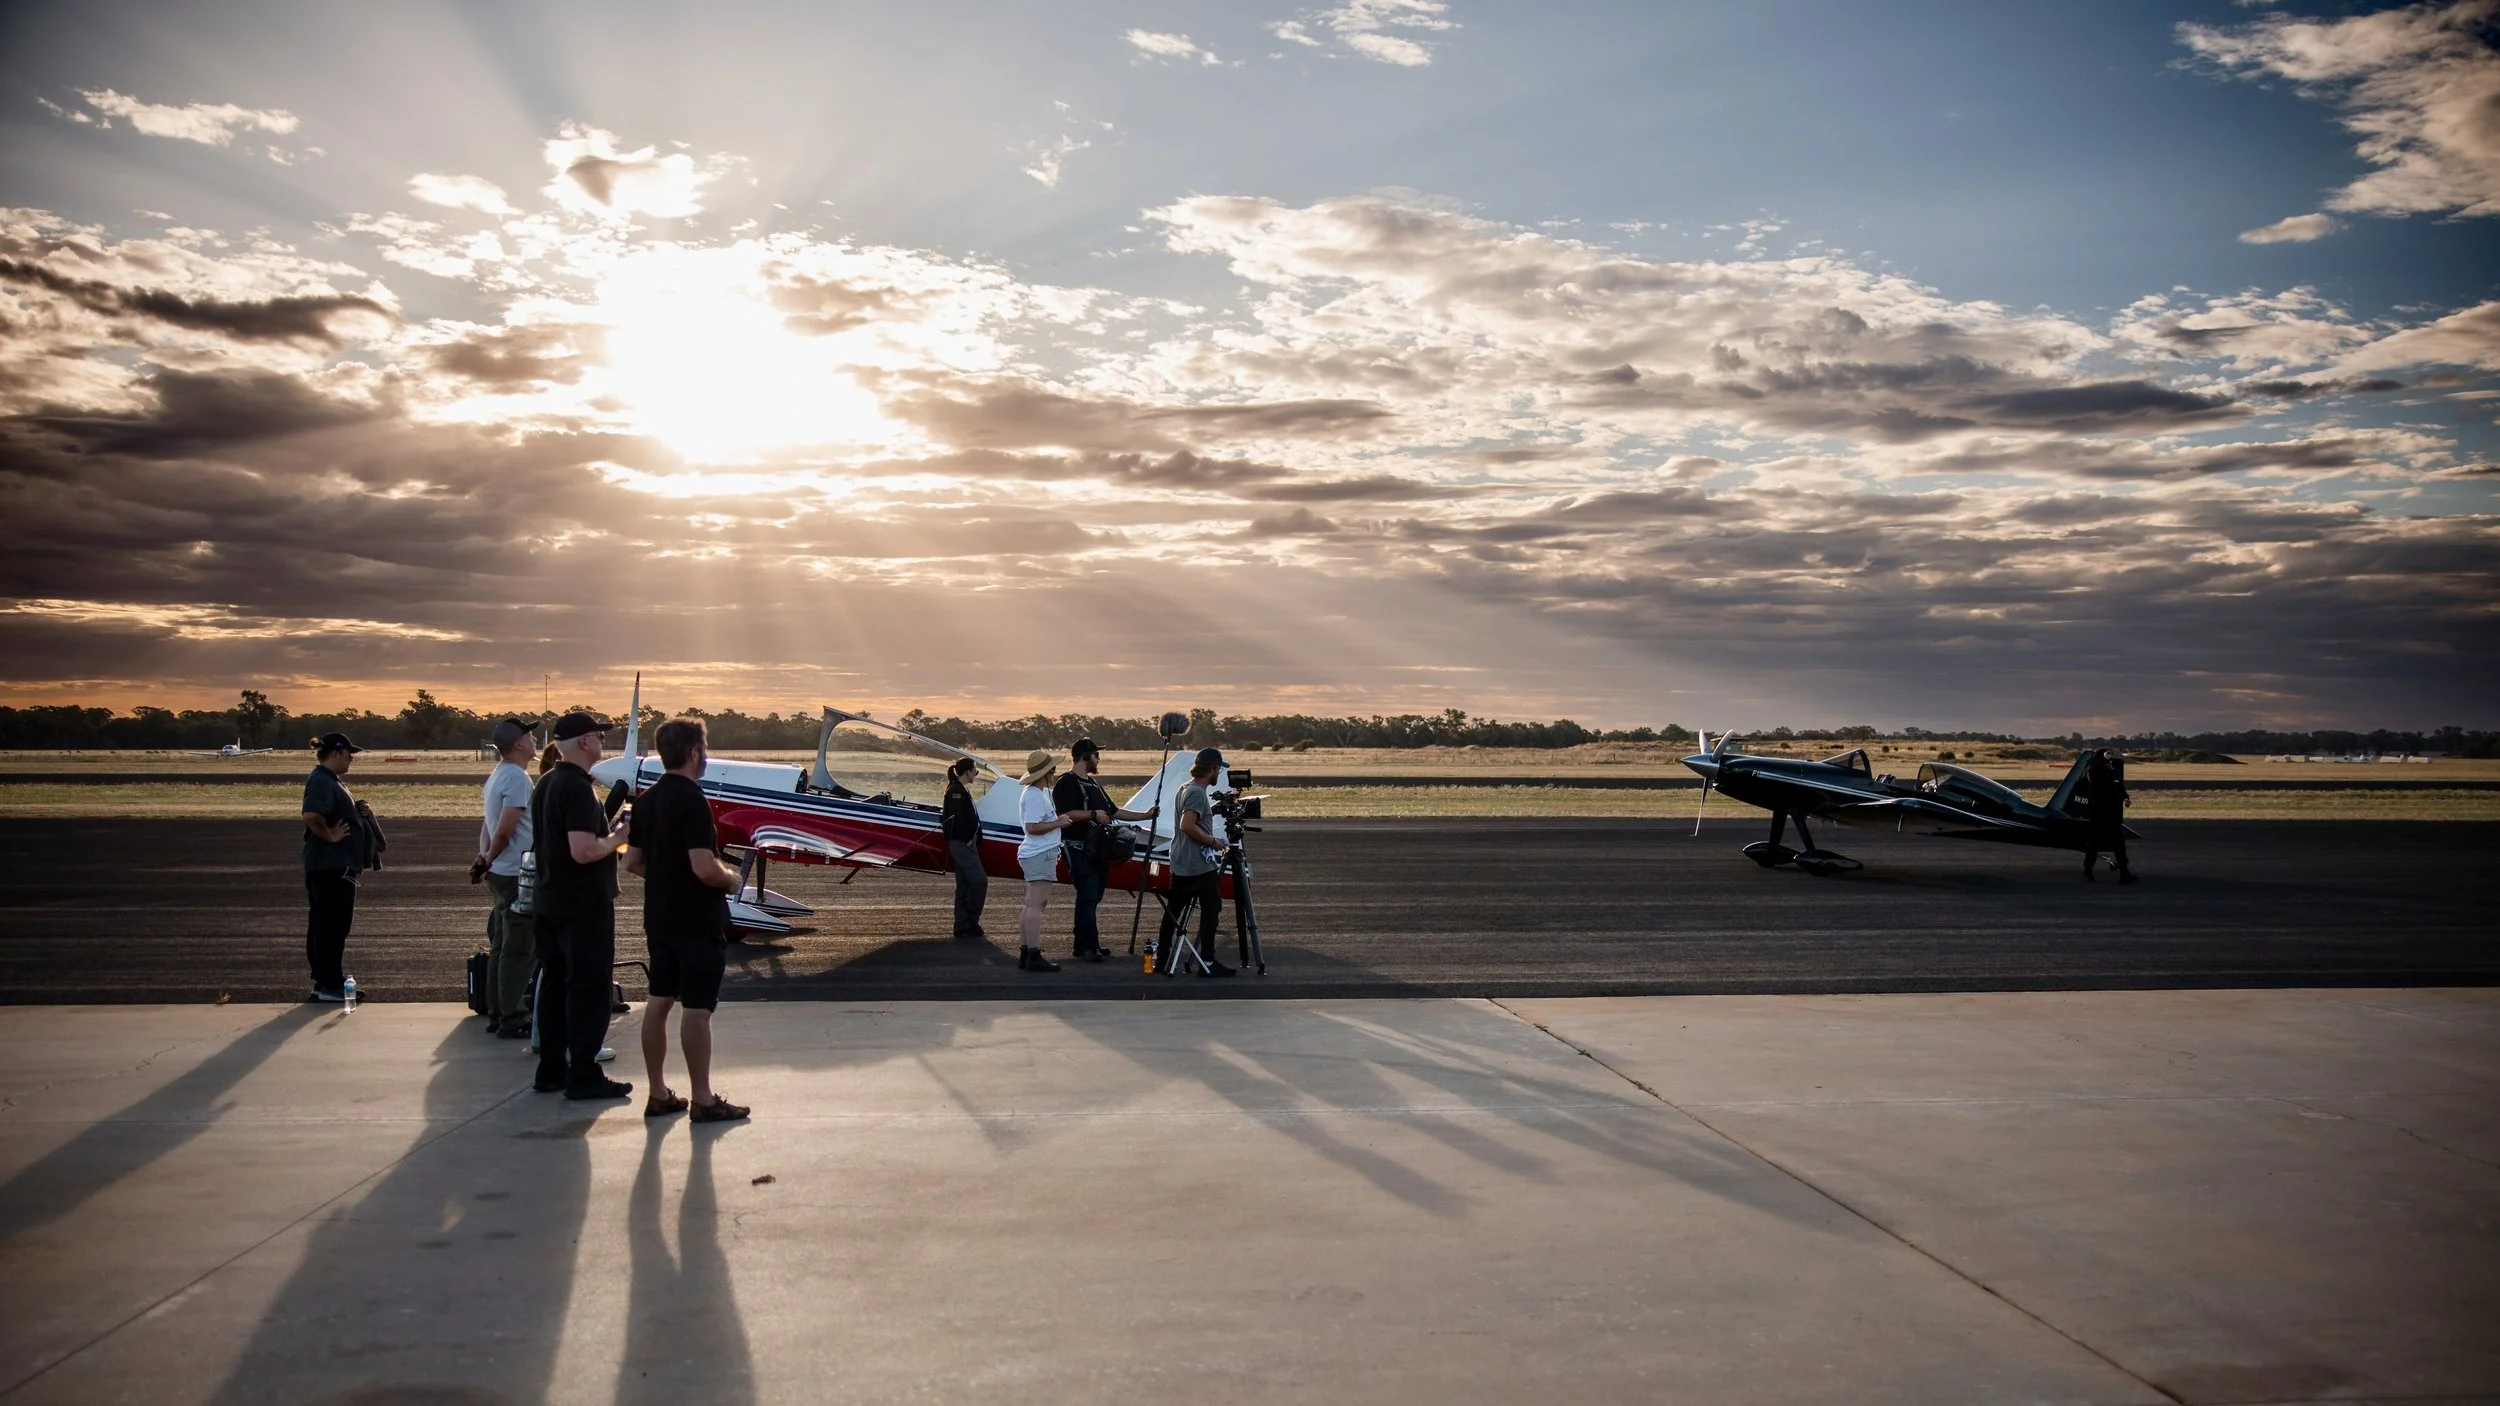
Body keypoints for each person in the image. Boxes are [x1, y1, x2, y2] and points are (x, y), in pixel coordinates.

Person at [625, 719, 749, 1123]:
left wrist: (666, 876)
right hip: (697, 918)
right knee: (697, 1008)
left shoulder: (646, 801)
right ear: (695, 752)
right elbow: (702, 866)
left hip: (658, 917)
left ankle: (658, 1092)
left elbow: (632, 862)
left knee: (659, 1000)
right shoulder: (694, 800)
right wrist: (730, 880)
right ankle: (703, 1098)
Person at [530, 712, 634, 1100]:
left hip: (549, 900)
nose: (602, 743)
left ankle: (552, 1068)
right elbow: (583, 850)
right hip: (582, 905)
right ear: (585, 742)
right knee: (588, 987)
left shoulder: (547, 783)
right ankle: (584, 1073)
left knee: (556, 986)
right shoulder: (576, 788)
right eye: (598, 736)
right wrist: (618, 837)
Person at [1053, 738, 1157, 962]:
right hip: (1078, 848)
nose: (1099, 758)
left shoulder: (1093, 784)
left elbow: (1114, 811)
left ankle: (1083, 944)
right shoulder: (1066, 782)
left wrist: (1146, 815)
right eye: (1096, 755)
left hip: (1097, 850)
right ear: (1084, 757)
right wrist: (1092, 815)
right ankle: (1090, 947)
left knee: (1093, 896)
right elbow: (1063, 814)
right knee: (1088, 896)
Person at [474, 719, 537, 1037]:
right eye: (529, 735)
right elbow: (505, 828)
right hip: (515, 872)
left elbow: (488, 825)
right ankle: (512, 1016)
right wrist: (490, 855)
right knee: (519, 949)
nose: (534, 739)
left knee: (501, 945)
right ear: (518, 744)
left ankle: (498, 1012)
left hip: (500, 870)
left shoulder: (498, 775)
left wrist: (485, 857)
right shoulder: (517, 778)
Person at [1157, 748, 1237, 977]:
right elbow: (1187, 825)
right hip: (1197, 864)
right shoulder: (1197, 793)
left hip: (1181, 861)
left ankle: (1162, 959)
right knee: (1212, 909)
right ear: (1211, 768)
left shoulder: (1185, 788)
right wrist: (1212, 841)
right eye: (1218, 769)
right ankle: (1208, 962)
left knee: (1174, 909)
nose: (1219, 774)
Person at [299, 731, 366, 1002]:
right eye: (349, 753)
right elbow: (311, 815)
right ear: (336, 752)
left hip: (331, 866)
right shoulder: (321, 781)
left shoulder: (329, 780)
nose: (351, 758)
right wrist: (331, 836)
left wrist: (355, 810)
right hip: (330, 868)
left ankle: (324, 981)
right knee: (332, 927)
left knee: (325, 925)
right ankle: (329, 984)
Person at [1013, 749, 1068, 972]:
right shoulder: (1035, 795)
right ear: (1045, 773)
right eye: (1053, 770)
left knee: (1031, 903)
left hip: (1036, 853)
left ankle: (1026, 951)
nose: (1055, 774)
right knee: (1037, 904)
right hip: (1039, 853)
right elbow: (1032, 827)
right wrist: (1059, 822)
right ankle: (1033, 954)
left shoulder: (1035, 793)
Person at [941, 757, 989, 941]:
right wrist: (968, 839)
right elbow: (957, 819)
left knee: (964, 886)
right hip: (962, 844)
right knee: (979, 881)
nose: (975, 775)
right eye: (975, 771)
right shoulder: (956, 792)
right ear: (967, 772)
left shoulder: (960, 789)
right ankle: (971, 921)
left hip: (964, 844)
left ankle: (962, 926)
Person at [2082, 748, 2137, 883]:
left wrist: (2126, 798)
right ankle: (2087, 872)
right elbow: (2094, 772)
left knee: (2119, 845)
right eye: (2107, 756)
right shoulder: (2095, 772)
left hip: (2114, 816)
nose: (2109, 759)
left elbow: (2120, 788)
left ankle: (2124, 873)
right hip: (2099, 815)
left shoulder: (2115, 774)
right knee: (2093, 845)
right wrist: (2102, 759)